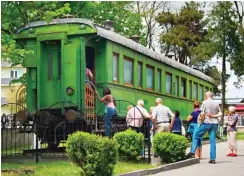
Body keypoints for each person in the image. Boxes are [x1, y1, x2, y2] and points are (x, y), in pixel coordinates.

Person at [187, 91, 222, 164]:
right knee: (213, 141)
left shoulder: (204, 102)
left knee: (196, 135)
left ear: (206, 96)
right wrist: (213, 116)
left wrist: (201, 121)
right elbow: (220, 113)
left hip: (207, 123)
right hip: (214, 124)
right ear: (211, 96)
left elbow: (202, 113)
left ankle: (192, 152)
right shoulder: (216, 103)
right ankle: (213, 159)